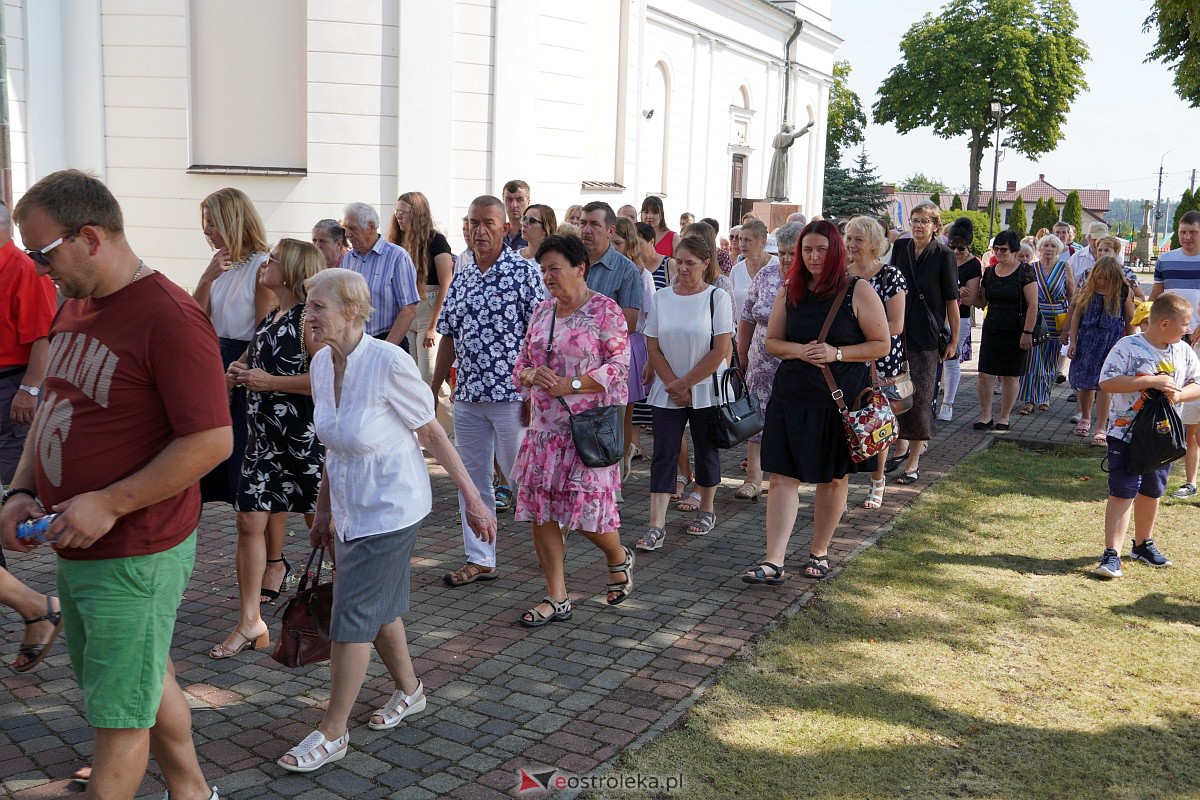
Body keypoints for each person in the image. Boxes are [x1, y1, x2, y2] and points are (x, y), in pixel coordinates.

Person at [2, 168, 232, 800]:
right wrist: (20, 490)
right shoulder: (77, 302)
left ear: (91, 236)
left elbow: (212, 440)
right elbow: (52, 403)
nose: (36, 267)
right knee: (143, 679)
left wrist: (111, 502)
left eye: (41, 252)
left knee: (118, 719)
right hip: (81, 542)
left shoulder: (171, 317)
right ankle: (192, 792)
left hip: (135, 549)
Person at [278, 268, 496, 772]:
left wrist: (475, 502)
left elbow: (435, 435)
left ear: (352, 311)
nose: (307, 315)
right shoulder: (319, 365)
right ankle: (411, 691)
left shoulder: (388, 363)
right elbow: (334, 446)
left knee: (351, 615)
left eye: (317, 307)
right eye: (307, 305)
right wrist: (323, 510)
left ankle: (333, 732)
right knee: (377, 609)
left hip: (392, 508)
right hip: (352, 510)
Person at [742, 220, 889, 585]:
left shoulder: (858, 290)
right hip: (791, 397)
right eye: (808, 249)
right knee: (781, 478)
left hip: (838, 403)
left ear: (836, 251)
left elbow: (880, 344)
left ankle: (819, 551)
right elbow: (773, 341)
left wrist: (835, 353)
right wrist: (803, 352)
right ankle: (774, 560)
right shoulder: (789, 289)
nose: (813, 256)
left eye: (821, 249)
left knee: (834, 479)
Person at [209, 239, 326, 658]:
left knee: (326, 531)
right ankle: (250, 621)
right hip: (263, 442)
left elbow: (326, 380)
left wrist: (270, 381)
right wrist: (239, 370)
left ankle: (350, 615)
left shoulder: (307, 320)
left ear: (292, 271)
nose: (265, 265)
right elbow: (259, 361)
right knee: (247, 522)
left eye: (274, 261)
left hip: (303, 443)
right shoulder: (272, 314)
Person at [511, 235, 633, 625]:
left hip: (586, 432)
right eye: (543, 269)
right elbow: (519, 368)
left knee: (586, 515)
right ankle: (557, 596)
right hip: (544, 431)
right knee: (542, 513)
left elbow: (619, 368)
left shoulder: (605, 311)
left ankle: (618, 556)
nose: (547, 276)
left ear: (580, 268)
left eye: (554, 268)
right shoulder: (542, 312)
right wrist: (533, 374)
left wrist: (573, 384)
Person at [432, 196, 546, 586]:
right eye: (473, 223)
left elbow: (542, 337)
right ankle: (480, 558)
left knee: (522, 479)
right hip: (468, 395)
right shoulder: (461, 274)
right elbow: (448, 333)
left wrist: (536, 392)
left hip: (513, 397)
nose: (479, 231)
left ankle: (553, 544)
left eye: (488, 224)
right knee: (473, 480)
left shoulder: (525, 273)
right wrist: (433, 387)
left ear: (504, 228)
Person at [1092, 292, 1200, 579]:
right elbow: (1107, 382)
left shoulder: (1183, 350)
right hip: (1125, 434)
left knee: (1152, 491)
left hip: (1162, 436)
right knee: (1123, 491)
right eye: (1185, 324)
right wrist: (1152, 380)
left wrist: (1178, 395)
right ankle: (1111, 554)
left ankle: (1142, 544)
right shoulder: (1128, 346)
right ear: (1164, 323)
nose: (1188, 329)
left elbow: (1197, 383)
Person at [635, 234, 733, 551]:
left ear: (706, 264)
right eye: (680, 261)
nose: (684, 268)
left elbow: (720, 349)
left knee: (706, 448)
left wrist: (686, 383)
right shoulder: (662, 297)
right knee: (663, 452)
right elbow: (653, 343)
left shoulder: (716, 298)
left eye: (691, 263)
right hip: (668, 388)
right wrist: (673, 384)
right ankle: (656, 525)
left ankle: (706, 509)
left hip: (705, 387)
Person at [193, 188, 273, 505]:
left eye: (212, 223)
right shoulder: (220, 265)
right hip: (217, 359)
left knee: (240, 461)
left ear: (232, 222)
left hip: (243, 364)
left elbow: (264, 330)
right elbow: (195, 320)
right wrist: (206, 278)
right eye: (206, 223)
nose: (206, 230)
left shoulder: (262, 266)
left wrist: (233, 372)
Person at [887, 201, 958, 484]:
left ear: (935, 226)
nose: (918, 225)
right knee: (897, 395)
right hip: (898, 333)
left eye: (924, 221)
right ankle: (901, 445)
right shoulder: (901, 248)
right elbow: (891, 289)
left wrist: (954, 337)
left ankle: (913, 462)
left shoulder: (943, 254)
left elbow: (952, 300)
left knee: (921, 398)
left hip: (927, 337)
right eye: (915, 220)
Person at [736, 221, 800, 502]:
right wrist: (742, 354)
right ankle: (753, 479)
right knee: (756, 417)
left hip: (795, 364)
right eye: (783, 252)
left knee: (794, 420)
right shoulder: (766, 274)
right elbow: (748, 315)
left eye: (791, 254)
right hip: (761, 362)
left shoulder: (811, 279)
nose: (786, 259)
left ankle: (793, 476)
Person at [846, 215, 907, 509]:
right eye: (848, 238)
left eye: (858, 239)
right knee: (843, 422)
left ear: (874, 243)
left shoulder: (890, 276)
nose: (851, 244)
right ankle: (839, 486)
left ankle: (877, 480)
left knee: (876, 422)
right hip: (845, 360)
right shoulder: (842, 275)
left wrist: (862, 336)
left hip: (879, 361)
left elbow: (896, 325)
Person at [1, 201, 55, 489]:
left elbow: (43, 335)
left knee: (16, 476)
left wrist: (30, 388)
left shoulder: (24, 270)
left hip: (14, 386)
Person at [1150, 210, 1200, 496]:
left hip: (1197, 342)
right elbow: (1156, 298)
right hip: (1173, 345)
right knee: (1182, 417)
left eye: (1192, 231)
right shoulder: (1166, 260)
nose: (1187, 237)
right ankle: (1186, 480)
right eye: (1183, 231)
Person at [974, 230, 1039, 432]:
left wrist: (1027, 332)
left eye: (1004, 250)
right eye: (996, 249)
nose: (999, 253)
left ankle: (1004, 416)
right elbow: (981, 301)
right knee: (985, 374)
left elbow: (1033, 305)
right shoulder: (990, 272)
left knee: (1010, 376)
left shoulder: (1025, 271)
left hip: (1016, 330)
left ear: (1014, 251)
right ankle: (985, 416)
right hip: (992, 328)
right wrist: (967, 294)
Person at [1067, 256, 1136, 444]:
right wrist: (1072, 341)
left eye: (1106, 278)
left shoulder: (1123, 292)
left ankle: (1101, 427)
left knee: (1105, 386)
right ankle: (1085, 417)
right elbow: (1076, 317)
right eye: (1099, 277)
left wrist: (1130, 346)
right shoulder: (1087, 290)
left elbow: (1130, 321)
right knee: (1086, 383)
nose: (1101, 281)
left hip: (1111, 344)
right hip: (1087, 341)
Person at [387, 192, 454, 381]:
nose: (398, 215)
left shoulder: (436, 241)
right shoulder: (396, 242)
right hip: (406, 310)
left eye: (404, 211)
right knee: (410, 376)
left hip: (429, 310)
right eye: (397, 211)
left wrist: (433, 326)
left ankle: (439, 411)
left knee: (429, 377)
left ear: (417, 213)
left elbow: (446, 282)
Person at [340, 202, 419, 354]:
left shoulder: (397, 257)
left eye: (352, 228)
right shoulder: (349, 258)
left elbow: (408, 310)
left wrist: (385, 350)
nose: (347, 234)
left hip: (387, 341)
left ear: (371, 226)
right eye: (346, 229)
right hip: (355, 343)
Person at [1017, 234, 1073, 415]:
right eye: (1046, 246)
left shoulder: (1065, 267)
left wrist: (1069, 325)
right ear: (1039, 249)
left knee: (1049, 362)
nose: (1049, 249)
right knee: (1032, 360)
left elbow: (1072, 297)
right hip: (1036, 318)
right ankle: (1029, 399)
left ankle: (1044, 398)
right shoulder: (1032, 268)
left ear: (1058, 249)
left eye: (1053, 246)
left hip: (1056, 319)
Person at [938, 218, 981, 422]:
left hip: (959, 317)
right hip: (937, 315)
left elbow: (970, 298)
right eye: (951, 247)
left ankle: (948, 403)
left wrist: (956, 294)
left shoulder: (973, 264)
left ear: (968, 246)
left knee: (951, 359)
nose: (955, 252)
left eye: (960, 248)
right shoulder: (942, 258)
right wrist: (956, 291)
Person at [580, 201, 643, 336]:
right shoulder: (568, 262)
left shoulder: (627, 271)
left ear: (610, 231)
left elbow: (628, 326)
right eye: (583, 223)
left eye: (594, 224)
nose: (586, 230)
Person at [731, 220, 780, 338]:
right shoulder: (736, 270)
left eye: (747, 240)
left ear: (762, 242)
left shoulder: (777, 267)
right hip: (741, 338)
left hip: (770, 339)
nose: (742, 244)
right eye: (740, 239)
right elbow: (730, 305)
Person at [502, 180, 530, 250]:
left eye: (519, 199)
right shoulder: (498, 233)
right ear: (503, 202)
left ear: (528, 201)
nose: (514, 205)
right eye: (509, 200)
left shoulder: (535, 234)